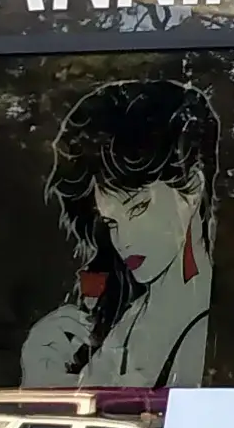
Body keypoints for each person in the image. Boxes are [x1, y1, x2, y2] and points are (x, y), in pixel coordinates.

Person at [16, 75, 218, 389]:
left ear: (192, 188)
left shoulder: (217, 326)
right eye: (111, 222)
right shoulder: (127, 319)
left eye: (138, 208)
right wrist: (42, 381)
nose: (123, 239)